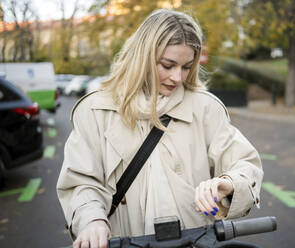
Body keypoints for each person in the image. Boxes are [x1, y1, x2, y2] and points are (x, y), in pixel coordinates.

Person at [56, 9, 263, 248]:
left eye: (186, 67)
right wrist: (91, 219)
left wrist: (227, 182)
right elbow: (81, 180)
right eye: (168, 65)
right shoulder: (95, 110)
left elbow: (246, 164)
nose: (177, 77)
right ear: (142, 56)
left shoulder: (206, 108)